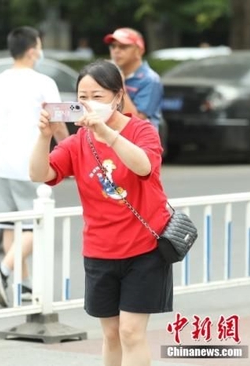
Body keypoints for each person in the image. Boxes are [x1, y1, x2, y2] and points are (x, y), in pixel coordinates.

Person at [29, 59, 172, 366]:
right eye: (82, 97)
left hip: (144, 249)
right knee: (110, 334)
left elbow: (144, 166)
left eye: (98, 96)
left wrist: (107, 133)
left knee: (131, 332)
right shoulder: (77, 141)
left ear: (118, 97)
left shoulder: (142, 130)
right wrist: (43, 136)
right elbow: (39, 174)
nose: (89, 104)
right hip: (100, 250)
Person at [0, 26, 69, 307]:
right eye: (39, 46)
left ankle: (22, 285)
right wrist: (75, 148)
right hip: (31, 164)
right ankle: (4, 270)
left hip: (1, 166)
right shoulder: (43, 82)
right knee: (35, 225)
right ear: (32, 51)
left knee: (9, 227)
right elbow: (59, 123)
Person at [104, 27, 163, 129]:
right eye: (113, 46)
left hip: (139, 142)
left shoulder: (150, 79)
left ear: (139, 51)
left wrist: (119, 84)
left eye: (123, 47)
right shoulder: (110, 74)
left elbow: (136, 121)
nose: (116, 51)